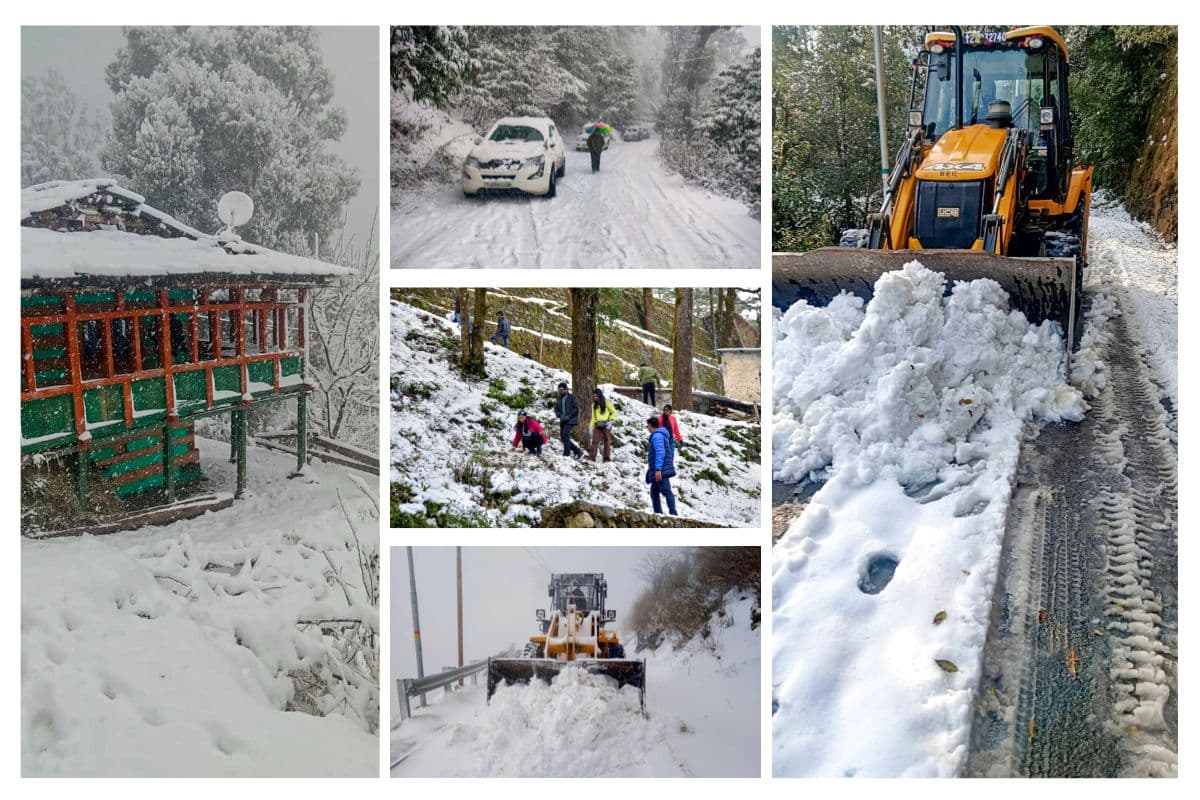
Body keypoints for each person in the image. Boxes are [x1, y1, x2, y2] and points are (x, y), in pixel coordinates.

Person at [645, 416, 678, 516]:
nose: (647, 428)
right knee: (654, 492)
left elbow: (660, 453)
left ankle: (673, 513)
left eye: (648, 426)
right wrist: (650, 471)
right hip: (658, 469)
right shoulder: (660, 435)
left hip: (660, 470)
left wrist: (658, 469)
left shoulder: (657, 436)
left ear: (651, 425)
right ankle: (658, 513)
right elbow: (655, 456)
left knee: (666, 490)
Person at [554, 382, 584, 459]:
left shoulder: (572, 397)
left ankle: (566, 453)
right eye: (559, 389)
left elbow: (576, 409)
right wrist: (560, 415)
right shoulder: (559, 398)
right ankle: (577, 451)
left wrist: (569, 416)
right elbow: (556, 409)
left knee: (565, 435)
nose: (560, 391)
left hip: (571, 420)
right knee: (563, 438)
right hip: (563, 419)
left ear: (566, 389)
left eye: (562, 389)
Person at [588, 387, 617, 462]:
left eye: (596, 396)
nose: (595, 398)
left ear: (600, 396)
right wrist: (591, 427)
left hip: (606, 424)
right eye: (594, 396)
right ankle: (592, 458)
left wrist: (611, 421)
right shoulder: (593, 405)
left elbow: (614, 412)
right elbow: (593, 417)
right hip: (597, 425)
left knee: (607, 441)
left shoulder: (607, 402)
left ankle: (606, 458)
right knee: (594, 441)